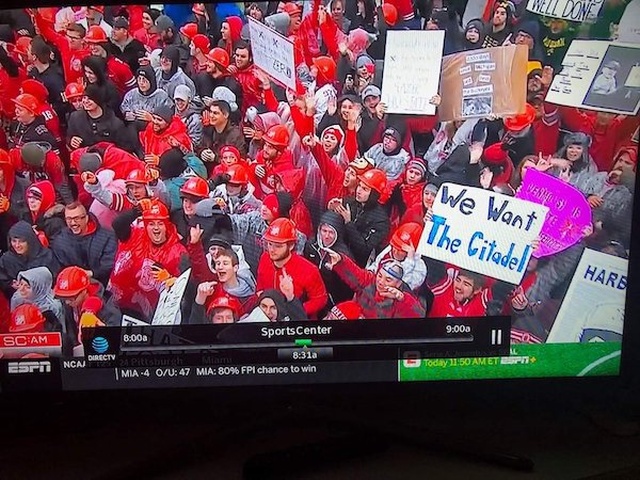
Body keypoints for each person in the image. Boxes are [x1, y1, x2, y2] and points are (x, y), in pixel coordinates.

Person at [109, 199, 190, 321]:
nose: (156, 228)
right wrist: (136, 211)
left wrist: (171, 280)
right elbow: (117, 225)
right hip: (120, 303)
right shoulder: (136, 235)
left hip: (151, 314)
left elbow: (187, 287)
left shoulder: (179, 252)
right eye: (151, 224)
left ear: (167, 225)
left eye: (160, 223)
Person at [256, 217, 328, 319]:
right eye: (270, 244)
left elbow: (320, 299)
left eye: (278, 246)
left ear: (291, 246)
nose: (271, 249)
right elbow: (260, 287)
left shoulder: (308, 270)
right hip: (267, 316)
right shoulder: (264, 258)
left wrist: (296, 309)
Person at [323, 248, 426, 319]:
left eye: (388, 280)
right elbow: (356, 274)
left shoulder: (401, 298)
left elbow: (419, 315)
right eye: (380, 276)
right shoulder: (370, 281)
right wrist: (341, 262)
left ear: (398, 283)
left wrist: (403, 299)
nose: (381, 282)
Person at [329, 168, 390, 267]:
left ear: (374, 194)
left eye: (365, 189)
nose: (359, 191)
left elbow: (363, 249)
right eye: (359, 186)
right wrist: (331, 210)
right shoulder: (350, 201)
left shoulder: (381, 221)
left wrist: (349, 223)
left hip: (356, 264)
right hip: (337, 254)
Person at [50, 202, 117, 287]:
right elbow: (60, 268)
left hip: (104, 285)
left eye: (76, 218)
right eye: (69, 219)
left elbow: (109, 265)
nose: (73, 223)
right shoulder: (60, 241)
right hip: (74, 286)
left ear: (86, 218)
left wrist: (91, 273)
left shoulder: (107, 237)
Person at [304, 210, 355, 315]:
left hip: (333, 299)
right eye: (324, 231)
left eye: (331, 232)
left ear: (338, 233)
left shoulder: (343, 255)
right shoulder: (311, 245)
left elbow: (348, 287)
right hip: (313, 294)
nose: (326, 236)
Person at [0, 220, 60, 300]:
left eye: (21, 241)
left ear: (30, 241)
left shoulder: (47, 257)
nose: (17, 245)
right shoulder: (6, 259)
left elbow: (55, 282)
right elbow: (3, 279)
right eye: (14, 241)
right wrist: (11, 284)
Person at [66, 84, 134, 151]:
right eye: (84, 97)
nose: (86, 101)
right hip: (84, 158)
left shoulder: (115, 124)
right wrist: (71, 141)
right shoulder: (74, 118)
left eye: (90, 98)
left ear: (98, 99)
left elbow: (125, 149)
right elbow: (69, 138)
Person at [367, 222, 427, 292]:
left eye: (400, 250)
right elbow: (375, 265)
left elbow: (405, 288)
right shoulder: (390, 248)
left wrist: (409, 261)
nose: (395, 251)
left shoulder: (420, 268)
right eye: (394, 246)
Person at [84, 25, 136, 96]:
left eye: (96, 44)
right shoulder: (87, 64)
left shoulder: (119, 67)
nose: (92, 47)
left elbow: (133, 91)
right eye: (90, 44)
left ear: (103, 44)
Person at [10, 266, 65, 331]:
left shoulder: (53, 306)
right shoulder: (17, 299)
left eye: (27, 287)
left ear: (39, 288)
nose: (21, 289)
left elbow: (60, 334)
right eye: (21, 284)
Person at [120, 65, 173, 131]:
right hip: (133, 130)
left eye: (144, 80)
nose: (141, 83)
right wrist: (127, 114)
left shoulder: (161, 96)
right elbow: (123, 109)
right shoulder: (131, 94)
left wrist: (152, 119)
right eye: (139, 79)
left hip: (154, 131)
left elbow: (168, 119)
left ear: (151, 81)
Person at [200, 100, 247, 174]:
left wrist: (215, 158)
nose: (211, 115)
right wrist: (202, 153)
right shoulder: (207, 128)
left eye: (215, 113)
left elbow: (239, 160)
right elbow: (200, 146)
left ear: (225, 115)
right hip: (207, 168)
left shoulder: (235, 134)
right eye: (211, 112)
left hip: (227, 172)